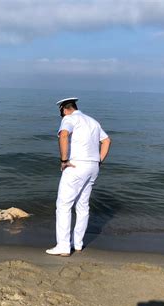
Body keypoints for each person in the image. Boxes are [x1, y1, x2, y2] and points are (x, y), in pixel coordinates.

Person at [46, 97, 111, 256]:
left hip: (76, 166)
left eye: (60, 112)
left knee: (63, 205)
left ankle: (63, 246)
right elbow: (107, 141)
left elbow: (63, 135)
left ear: (64, 109)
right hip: (93, 166)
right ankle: (78, 243)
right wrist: (98, 161)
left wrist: (63, 160)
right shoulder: (92, 121)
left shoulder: (69, 118)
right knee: (82, 206)